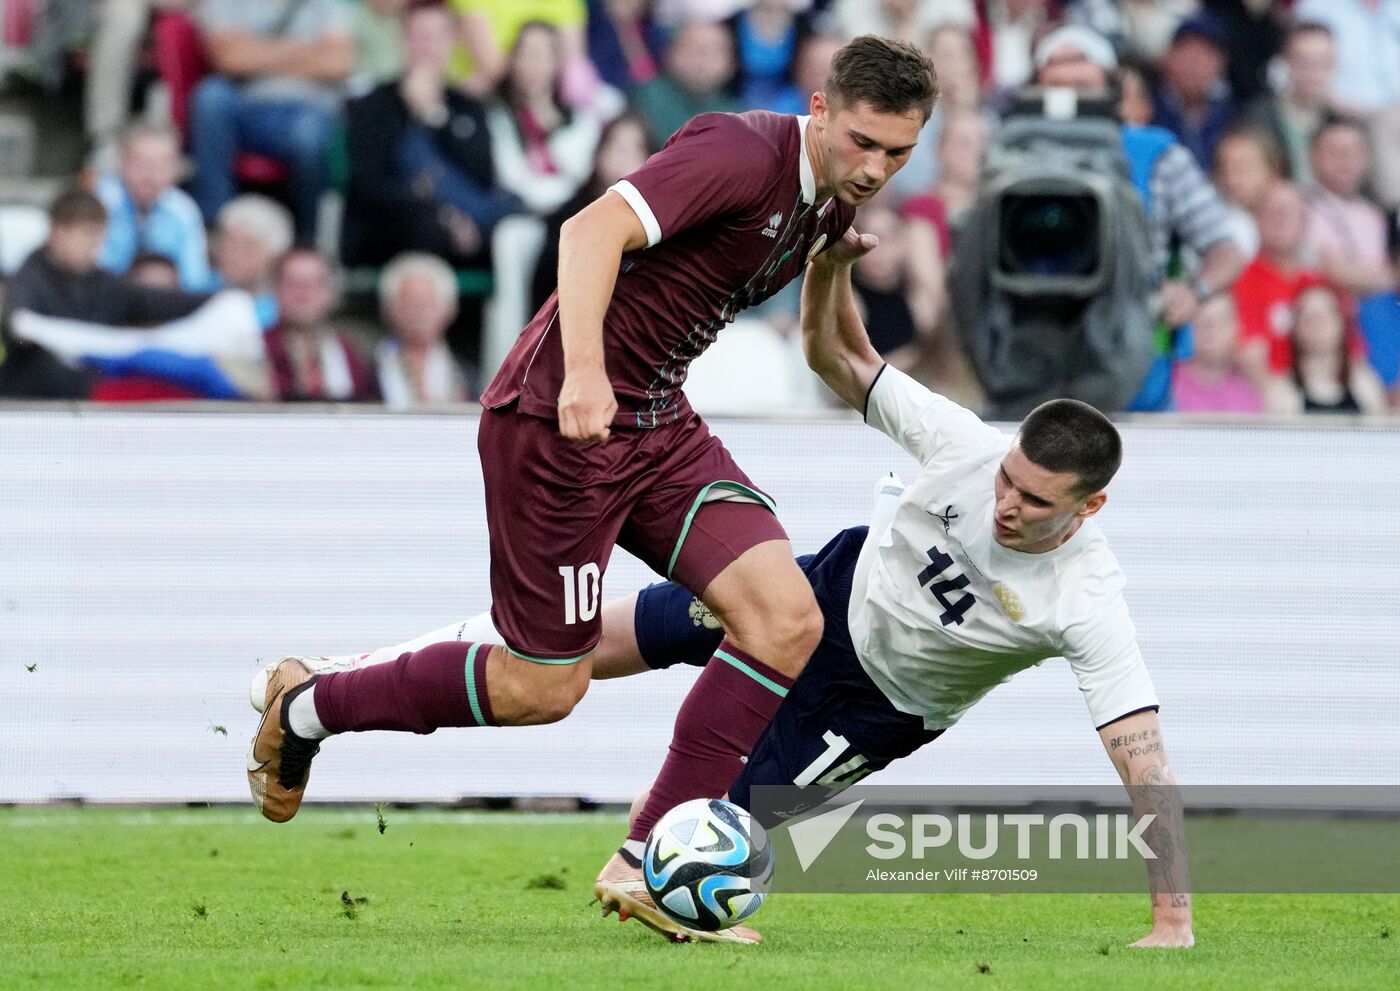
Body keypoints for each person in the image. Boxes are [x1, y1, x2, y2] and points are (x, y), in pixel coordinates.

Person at [249, 224, 1194, 950]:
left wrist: (1172, 916)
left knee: (711, 831)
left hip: (867, 707)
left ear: (1091, 505)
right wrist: (830, 269)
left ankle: (642, 863)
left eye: (1034, 500)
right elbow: (841, 362)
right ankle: (336, 679)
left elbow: (1140, 760)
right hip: (817, 592)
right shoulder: (966, 447)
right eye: (1007, 480)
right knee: (576, 647)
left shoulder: (1088, 599)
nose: (1006, 504)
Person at [245, 35, 937, 938]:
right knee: (543, 689)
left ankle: (649, 861)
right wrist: (580, 373)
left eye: (898, 153)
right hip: (557, 423)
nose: (876, 166)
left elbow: (823, 349)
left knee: (787, 616)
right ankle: (309, 703)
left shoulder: (827, 205)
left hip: (656, 425)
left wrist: (835, 269)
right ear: (817, 109)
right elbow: (589, 229)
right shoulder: (739, 151)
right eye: (862, 141)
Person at [0, 189, 255, 399]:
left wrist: (220, 298)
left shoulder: (103, 284)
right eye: (87, 236)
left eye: (99, 237)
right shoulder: (28, 282)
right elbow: (18, 332)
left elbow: (156, 301)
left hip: (97, 393)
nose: (94, 247)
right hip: (42, 397)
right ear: (59, 232)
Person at [343, 0, 517, 269]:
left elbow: (482, 174)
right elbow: (368, 187)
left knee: (517, 229)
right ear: (402, 40)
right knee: (428, 226)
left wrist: (434, 117)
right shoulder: (372, 105)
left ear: (452, 43)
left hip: (470, 224)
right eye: (419, 37)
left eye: (437, 37)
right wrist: (446, 216)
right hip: (395, 229)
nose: (428, 47)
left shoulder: (468, 106)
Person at [191, 0, 353, 238]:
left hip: (304, 111)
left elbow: (338, 63)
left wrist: (256, 54)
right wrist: (301, 50)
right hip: (244, 107)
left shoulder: (325, 5)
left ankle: (307, 242)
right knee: (210, 96)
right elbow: (229, 60)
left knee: (310, 136)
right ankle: (213, 225)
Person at [96, 123, 212, 291]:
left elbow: (194, 281)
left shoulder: (184, 211)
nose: (149, 175)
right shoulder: (99, 203)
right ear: (121, 163)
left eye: (161, 165)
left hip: (164, 306)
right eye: (140, 163)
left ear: (176, 169)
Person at [263, 248, 378, 402]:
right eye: (293, 284)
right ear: (275, 290)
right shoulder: (256, 348)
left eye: (314, 284)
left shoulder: (350, 353)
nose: (303, 294)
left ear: (331, 292)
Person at [1305, 116, 1395, 300]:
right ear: (1314, 156)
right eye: (1336, 152)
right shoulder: (1300, 206)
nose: (1346, 160)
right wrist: (1392, 278)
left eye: (1355, 151)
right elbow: (1330, 269)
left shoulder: (1376, 215)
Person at [1266, 282, 1388, 414]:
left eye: (1326, 313)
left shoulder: (1365, 383)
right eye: (1307, 315)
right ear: (1294, 327)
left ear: (1342, 324)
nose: (1317, 322)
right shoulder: (1280, 392)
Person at [1246, 20, 1338, 185]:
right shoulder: (1258, 118)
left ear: (1334, 65)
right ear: (1286, 62)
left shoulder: (1339, 122)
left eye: (1322, 62)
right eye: (1303, 62)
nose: (1313, 72)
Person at [375, 252, 472, 407]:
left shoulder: (469, 377)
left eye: (427, 303)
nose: (419, 313)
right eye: (410, 303)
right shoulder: (366, 373)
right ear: (389, 309)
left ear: (450, 310)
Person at [1150, 12, 1239, 172]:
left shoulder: (1235, 115)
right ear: (1168, 57)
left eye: (1204, 56)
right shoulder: (1148, 108)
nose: (1194, 66)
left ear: (1221, 63)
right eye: (1187, 53)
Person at [212, 195, 295, 330]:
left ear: (274, 257)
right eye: (227, 242)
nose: (231, 254)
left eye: (247, 247)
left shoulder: (281, 314)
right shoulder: (198, 289)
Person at [1171, 292, 1263, 413]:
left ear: (1238, 327)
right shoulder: (1167, 382)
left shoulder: (1250, 388)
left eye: (1222, 320)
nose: (1211, 330)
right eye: (1201, 321)